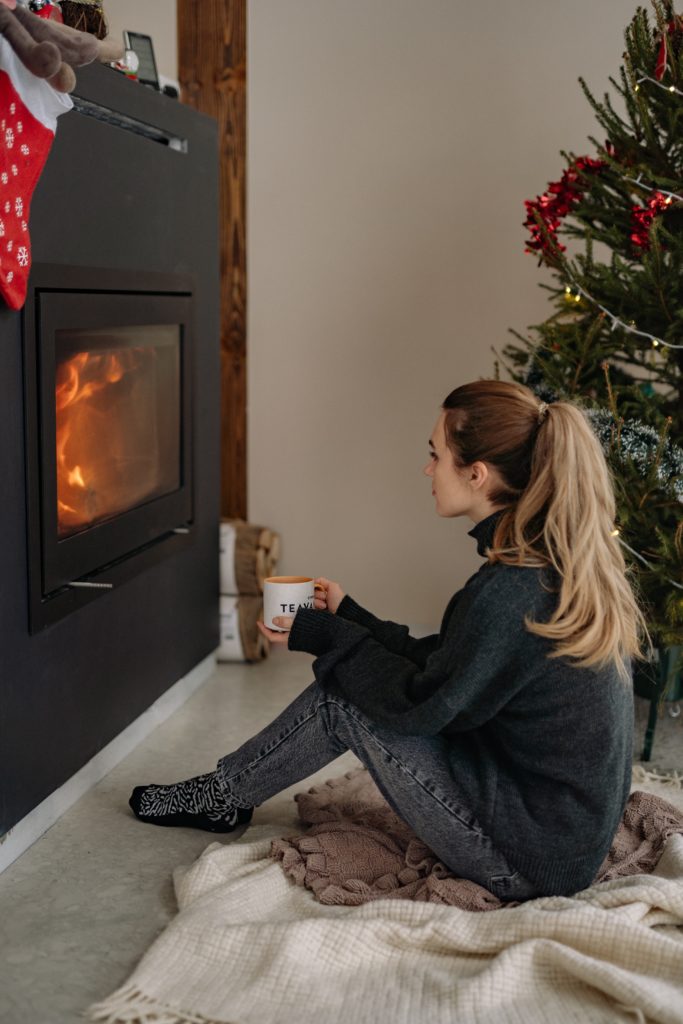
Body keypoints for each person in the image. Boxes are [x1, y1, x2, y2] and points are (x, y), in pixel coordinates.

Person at [129, 379, 645, 901]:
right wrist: (352, 618)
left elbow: (420, 705)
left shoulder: (510, 591)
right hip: (555, 841)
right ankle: (227, 791)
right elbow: (449, 668)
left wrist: (323, 633)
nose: (427, 469)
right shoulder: (543, 562)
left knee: (345, 700)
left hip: (523, 864)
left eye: (435, 454)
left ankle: (222, 795)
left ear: (476, 473)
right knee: (356, 678)